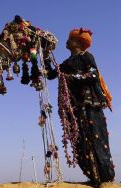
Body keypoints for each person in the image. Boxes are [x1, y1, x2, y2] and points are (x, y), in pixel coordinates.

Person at [46, 28, 115, 185]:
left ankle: (105, 178)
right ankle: (93, 178)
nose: (67, 41)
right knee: (80, 142)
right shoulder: (66, 63)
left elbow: (93, 75)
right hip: (75, 108)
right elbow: (51, 75)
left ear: (77, 43)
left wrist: (71, 78)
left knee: (96, 138)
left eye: (70, 39)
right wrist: (44, 55)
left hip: (91, 105)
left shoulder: (86, 56)